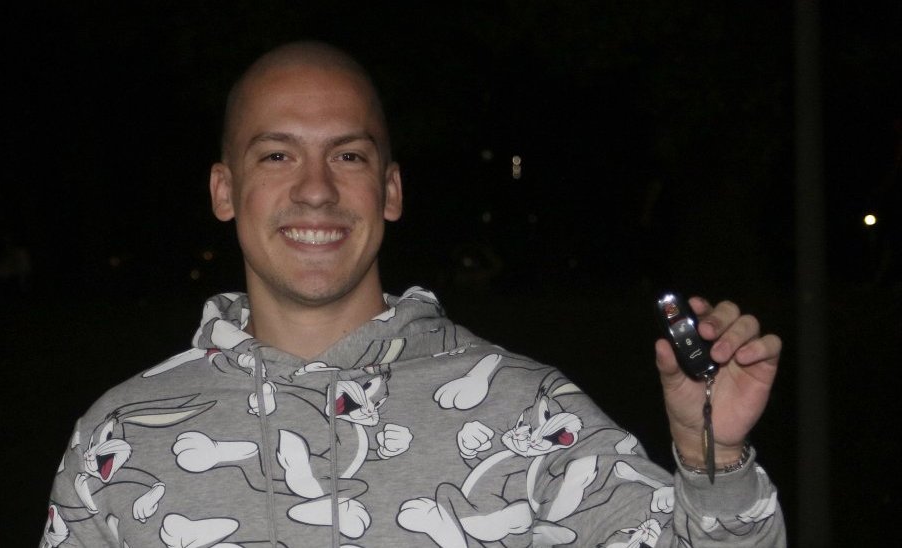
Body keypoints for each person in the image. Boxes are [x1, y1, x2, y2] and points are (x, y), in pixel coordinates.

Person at [42, 41, 784, 547]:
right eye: (276, 155)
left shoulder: (528, 415)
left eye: (348, 155)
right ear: (224, 190)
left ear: (390, 190)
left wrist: (713, 456)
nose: (315, 190)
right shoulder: (122, 438)